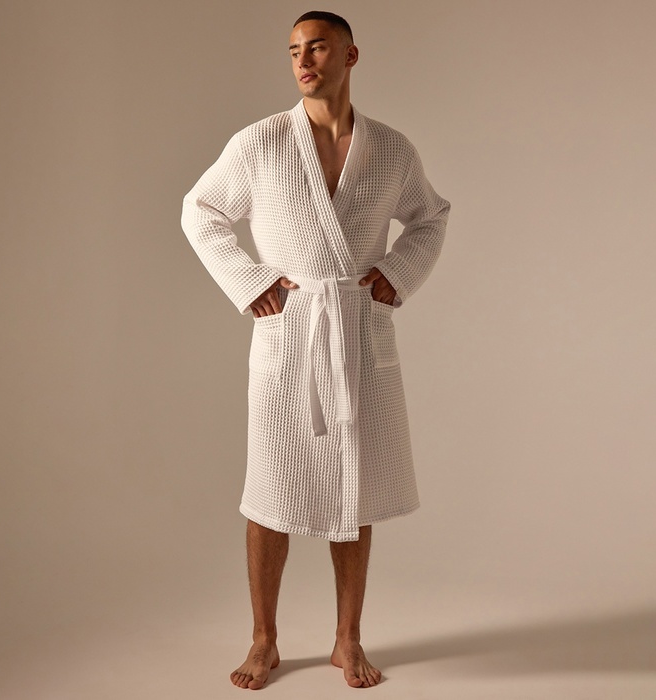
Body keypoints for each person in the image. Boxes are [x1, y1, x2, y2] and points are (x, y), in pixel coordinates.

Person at [181, 10, 450, 690]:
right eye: (294, 50)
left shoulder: (390, 149)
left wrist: (397, 273)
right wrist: (251, 281)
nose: (303, 60)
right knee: (269, 489)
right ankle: (264, 639)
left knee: (352, 487)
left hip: (356, 332)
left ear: (350, 55)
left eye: (319, 46)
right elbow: (201, 210)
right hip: (290, 336)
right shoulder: (261, 142)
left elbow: (430, 216)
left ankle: (346, 639)